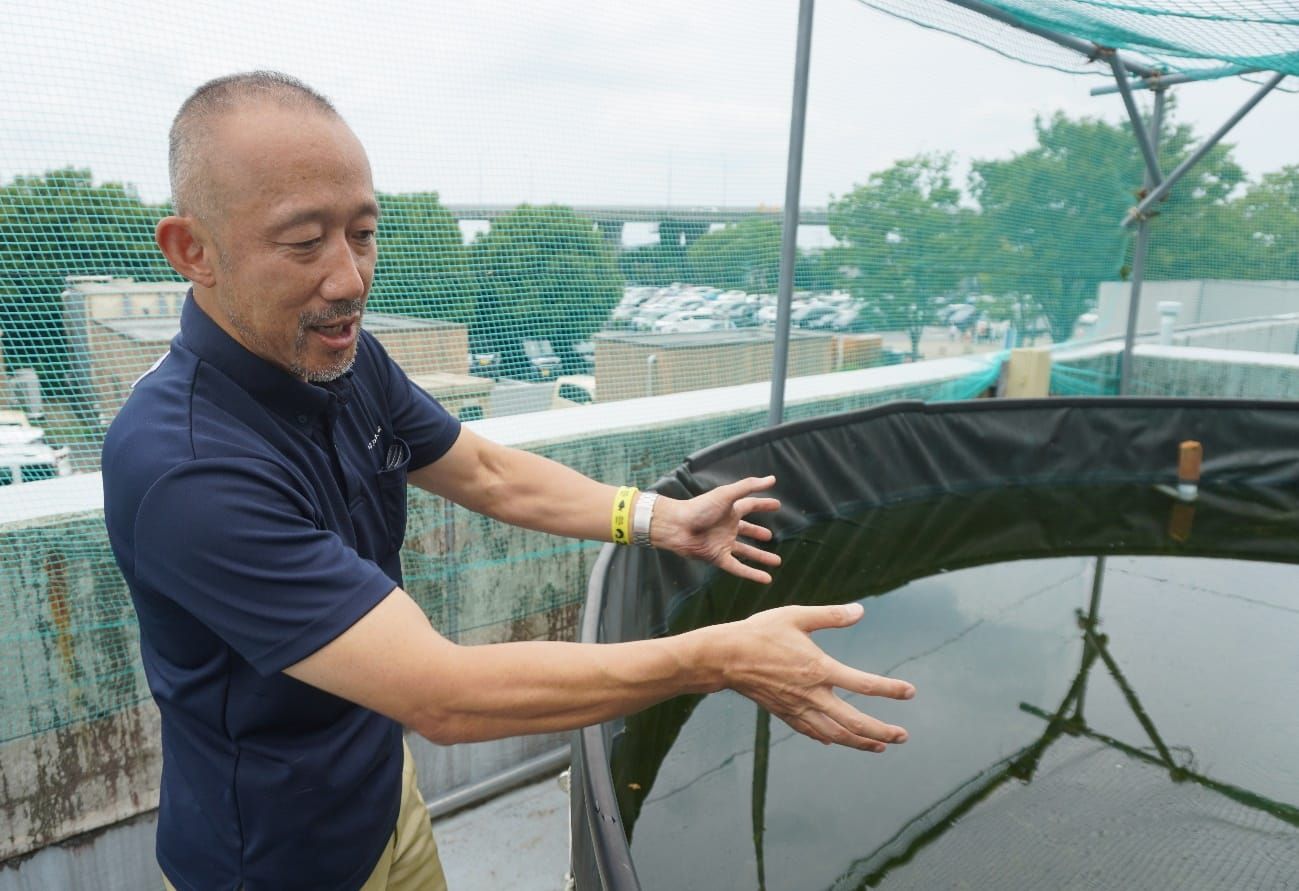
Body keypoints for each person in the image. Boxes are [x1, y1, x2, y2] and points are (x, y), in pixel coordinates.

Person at [102, 71, 915, 891]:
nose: (349, 279)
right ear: (191, 251)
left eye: (363, 232)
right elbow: (443, 694)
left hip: (385, 796)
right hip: (272, 864)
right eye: (304, 242)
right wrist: (721, 656)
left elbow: (487, 473)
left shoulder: (336, 357)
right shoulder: (186, 468)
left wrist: (657, 519)